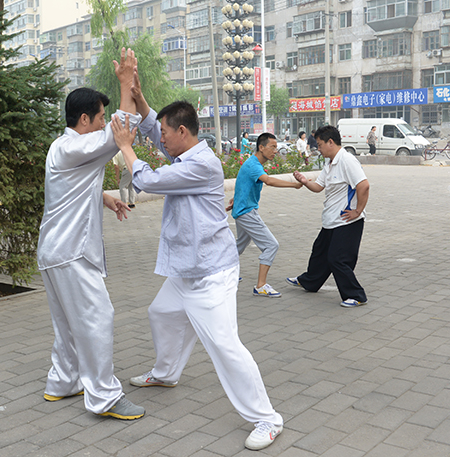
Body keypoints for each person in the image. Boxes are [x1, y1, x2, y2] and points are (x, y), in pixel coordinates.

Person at [110, 69, 284, 451]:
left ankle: (267, 419)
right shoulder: (186, 148)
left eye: (167, 134)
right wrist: (138, 97)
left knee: (224, 344)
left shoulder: (201, 165)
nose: (160, 138)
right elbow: (157, 129)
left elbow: (149, 181)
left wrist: (125, 145)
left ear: (184, 133)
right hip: (186, 269)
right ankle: (167, 372)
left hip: (211, 273)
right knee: (162, 313)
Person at [36, 48, 145, 420]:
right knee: (98, 317)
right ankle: (104, 397)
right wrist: (127, 83)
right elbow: (121, 134)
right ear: (84, 119)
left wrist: (105, 199)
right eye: (100, 118)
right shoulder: (76, 144)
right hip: (70, 252)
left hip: (54, 252)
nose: (104, 124)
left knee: (67, 323)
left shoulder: (62, 147)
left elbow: (71, 187)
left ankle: (63, 381)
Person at [287, 125, 370, 308]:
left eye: (320, 144)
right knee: (320, 252)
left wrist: (357, 211)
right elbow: (318, 187)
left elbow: (363, 185)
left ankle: (356, 295)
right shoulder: (330, 162)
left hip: (347, 220)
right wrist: (304, 181)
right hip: (331, 219)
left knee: (337, 259)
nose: (318, 148)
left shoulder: (347, 160)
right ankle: (309, 281)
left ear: (330, 142)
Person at [226, 133, 302, 298]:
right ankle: (260, 286)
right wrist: (294, 185)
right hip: (246, 213)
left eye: (276, 147)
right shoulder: (254, 165)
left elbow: (242, 182)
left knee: (238, 245)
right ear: (261, 147)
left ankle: (223, 274)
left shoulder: (252, 163)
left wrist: (236, 199)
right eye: (272, 147)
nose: (275, 151)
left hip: (242, 210)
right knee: (271, 245)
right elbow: (268, 181)